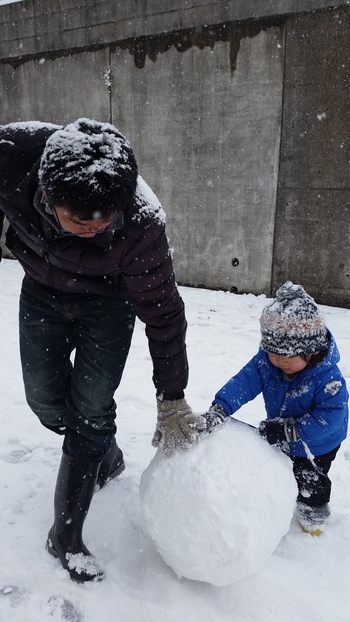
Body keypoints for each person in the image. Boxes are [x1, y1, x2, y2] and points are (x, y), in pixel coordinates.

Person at [0, 118, 206, 583]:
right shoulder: (12, 156)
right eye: (79, 219)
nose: (93, 228)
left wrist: (171, 398)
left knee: (90, 408)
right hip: (40, 289)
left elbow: (164, 311)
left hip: (107, 304)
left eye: (104, 219)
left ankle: (65, 535)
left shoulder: (140, 221)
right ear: (47, 198)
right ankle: (104, 455)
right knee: (46, 402)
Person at [203, 281, 349, 536]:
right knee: (281, 469)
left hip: (318, 444)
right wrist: (221, 408)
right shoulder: (268, 362)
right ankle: (276, 503)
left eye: (286, 358)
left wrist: (290, 431)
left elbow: (331, 419)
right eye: (273, 354)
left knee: (309, 480)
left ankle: (312, 513)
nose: (278, 362)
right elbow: (243, 383)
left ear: (311, 351)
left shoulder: (329, 379)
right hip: (280, 431)